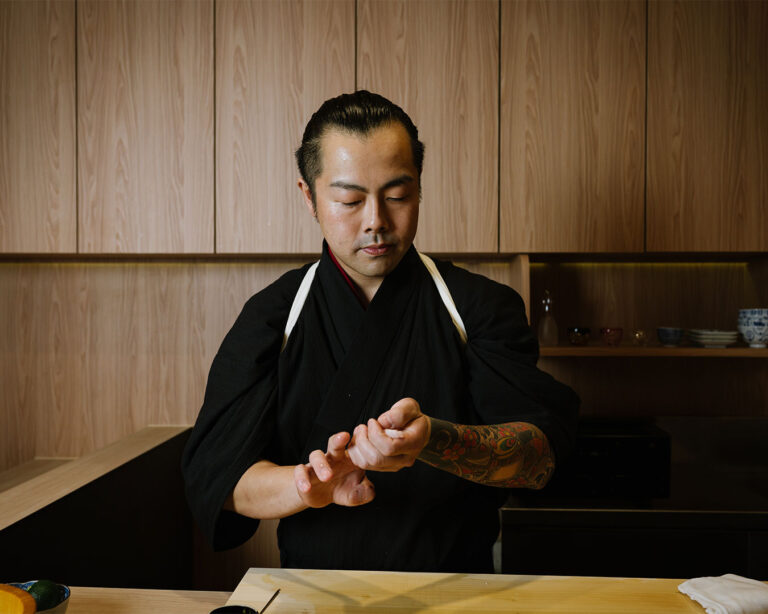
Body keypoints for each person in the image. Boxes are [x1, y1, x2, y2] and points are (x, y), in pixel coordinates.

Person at [182, 90, 579, 573]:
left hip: (459, 592)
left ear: (419, 188)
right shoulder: (274, 317)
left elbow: (541, 456)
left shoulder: (476, 307)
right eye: (349, 199)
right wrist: (310, 485)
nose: (377, 222)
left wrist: (434, 440)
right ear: (309, 197)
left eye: (397, 196)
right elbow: (219, 480)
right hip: (313, 596)